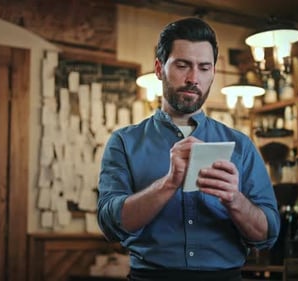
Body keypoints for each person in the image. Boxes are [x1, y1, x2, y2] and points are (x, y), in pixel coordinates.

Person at [97, 17, 280, 281]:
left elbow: (267, 235)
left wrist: (234, 199)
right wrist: (168, 183)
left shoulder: (241, 145)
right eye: (183, 66)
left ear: (213, 73)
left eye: (204, 68)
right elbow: (110, 225)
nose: (194, 78)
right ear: (159, 69)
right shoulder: (124, 142)